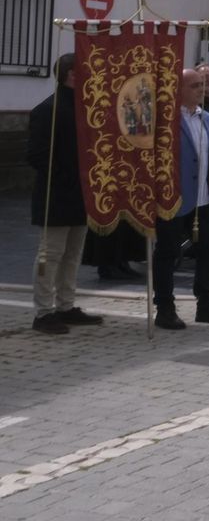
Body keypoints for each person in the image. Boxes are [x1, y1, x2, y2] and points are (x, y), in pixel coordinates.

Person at [153, 68, 209, 329]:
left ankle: (206, 304)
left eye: (202, 85)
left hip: (204, 199)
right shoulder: (167, 121)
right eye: (194, 86)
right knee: (167, 253)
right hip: (176, 198)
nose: (201, 90)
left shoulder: (208, 119)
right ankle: (165, 308)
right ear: (178, 89)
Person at [27, 53, 102, 335]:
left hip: (81, 194)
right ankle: (43, 311)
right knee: (51, 253)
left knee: (73, 253)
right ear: (67, 74)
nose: (81, 76)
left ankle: (66, 304)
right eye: (77, 71)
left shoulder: (86, 107)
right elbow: (36, 155)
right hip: (56, 194)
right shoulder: (47, 109)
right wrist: (66, 177)